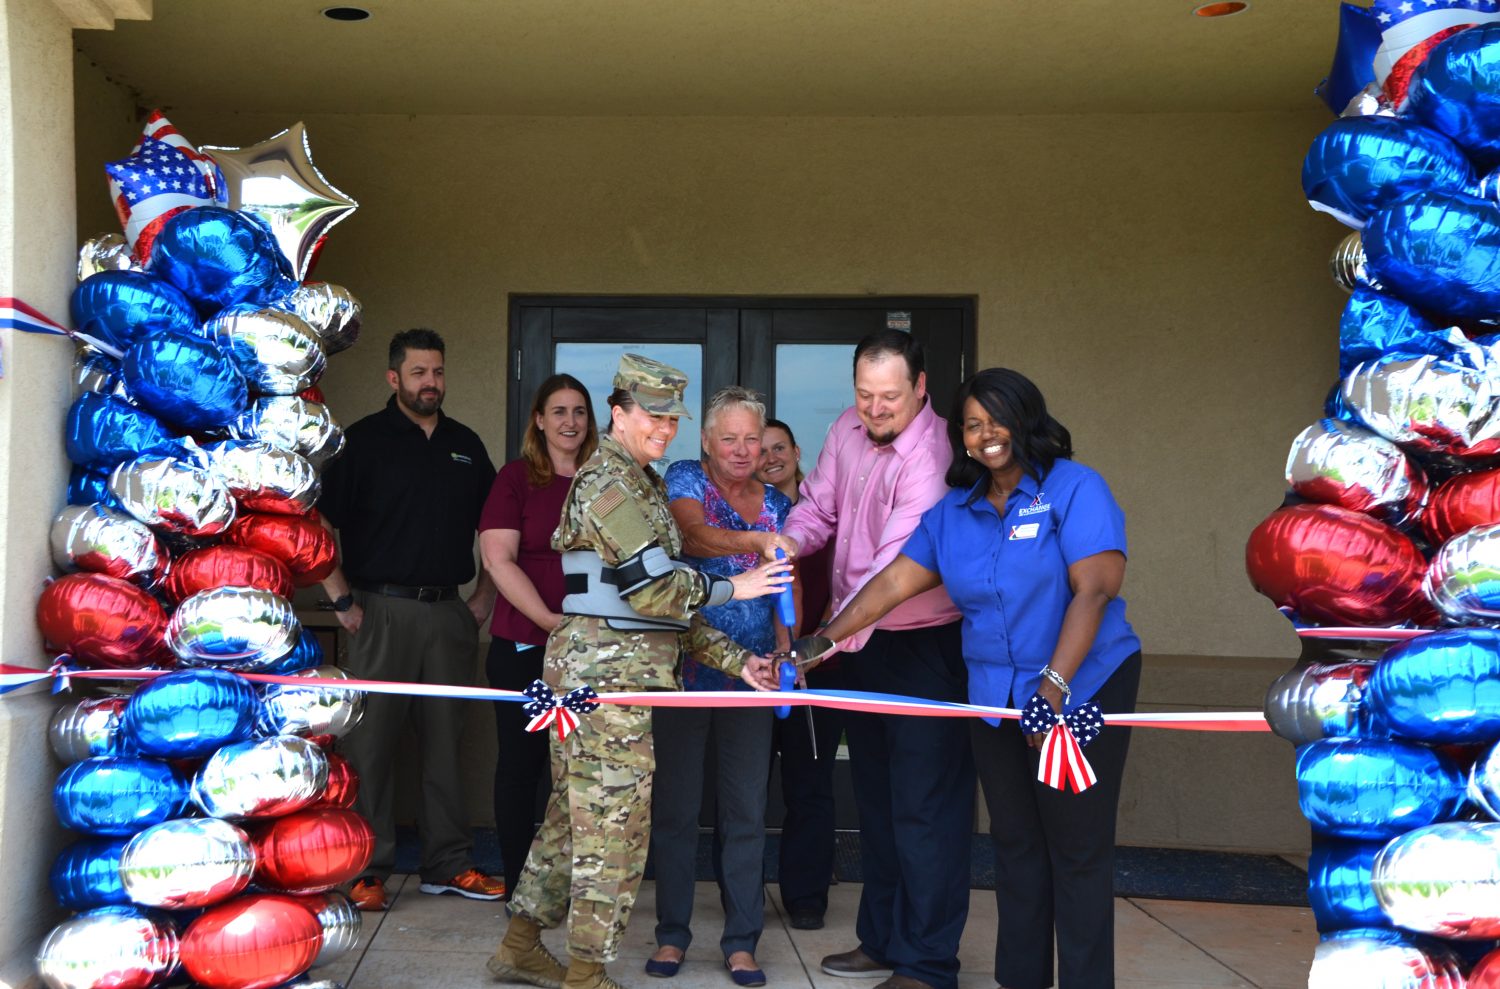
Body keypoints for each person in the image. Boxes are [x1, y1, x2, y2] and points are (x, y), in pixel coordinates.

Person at [815, 368, 1142, 989]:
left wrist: (1053, 687)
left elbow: (1094, 591)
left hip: (1081, 687)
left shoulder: (1075, 488)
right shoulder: (956, 511)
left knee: (1075, 851)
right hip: (995, 698)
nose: (985, 434)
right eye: (971, 424)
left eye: (996, 419)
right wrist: (824, 639)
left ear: (1027, 421)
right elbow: (891, 584)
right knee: (1015, 848)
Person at [488, 354, 790, 989]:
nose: (664, 428)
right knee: (613, 832)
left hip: (617, 678)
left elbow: (663, 615)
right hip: (605, 688)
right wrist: (741, 587)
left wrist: (744, 663)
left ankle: (519, 944)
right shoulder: (608, 483)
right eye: (651, 415)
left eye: (672, 417)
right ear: (618, 414)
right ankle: (587, 973)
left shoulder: (642, 483)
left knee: (573, 822)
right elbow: (654, 592)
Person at [781, 330, 973, 989]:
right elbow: (818, 506)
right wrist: (781, 546)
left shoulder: (936, 453)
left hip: (922, 647)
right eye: (864, 395)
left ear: (920, 387)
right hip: (857, 645)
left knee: (926, 810)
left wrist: (824, 639)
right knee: (879, 803)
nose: (875, 408)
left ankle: (928, 962)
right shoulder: (844, 428)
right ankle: (883, 940)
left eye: (889, 396)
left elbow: (893, 571)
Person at [317, 328, 505, 912]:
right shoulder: (362, 442)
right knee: (370, 745)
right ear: (394, 377)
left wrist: (482, 599)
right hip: (379, 612)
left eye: (438, 372)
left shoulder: (466, 446)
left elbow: (501, 532)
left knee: (446, 745)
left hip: (449, 612)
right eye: (419, 373)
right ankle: (366, 869)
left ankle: (447, 863)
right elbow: (320, 526)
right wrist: (342, 600)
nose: (431, 383)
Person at [647, 387, 795, 987]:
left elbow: (785, 584)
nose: (741, 449)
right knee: (678, 810)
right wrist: (756, 543)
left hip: (752, 676)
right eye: (728, 437)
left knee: (745, 812)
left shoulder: (779, 504)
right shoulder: (684, 477)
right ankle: (672, 935)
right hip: (684, 671)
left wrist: (789, 648)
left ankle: (741, 942)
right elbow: (692, 538)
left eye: (751, 438)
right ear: (706, 441)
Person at [479, 374, 598, 899]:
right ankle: (519, 886)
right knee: (523, 768)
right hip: (526, 650)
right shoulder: (516, 479)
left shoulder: (606, 481)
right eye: (559, 411)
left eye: (579, 411)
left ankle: (574, 886)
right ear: (539, 420)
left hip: (593, 655)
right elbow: (497, 559)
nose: (570, 421)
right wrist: (551, 622)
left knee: (580, 772)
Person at [758, 418, 841, 932]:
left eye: (778, 447)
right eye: (758, 449)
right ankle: (740, 893)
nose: (769, 457)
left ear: (796, 450)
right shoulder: (746, 514)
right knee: (744, 788)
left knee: (809, 785)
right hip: (757, 668)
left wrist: (815, 648)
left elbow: (846, 582)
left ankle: (806, 896)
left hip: (818, 665)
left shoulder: (826, 514)